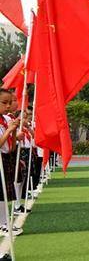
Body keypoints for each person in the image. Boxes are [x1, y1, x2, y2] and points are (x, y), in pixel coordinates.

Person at [0, 89, 21, 238]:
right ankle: (3, 223)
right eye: (4, 103)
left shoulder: (6, 119)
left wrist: (13, 131)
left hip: (6, 157)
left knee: (5, 193)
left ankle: (4, 222)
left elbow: (12, 147)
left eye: (9, 102)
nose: (8, 106)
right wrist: (8, 131)